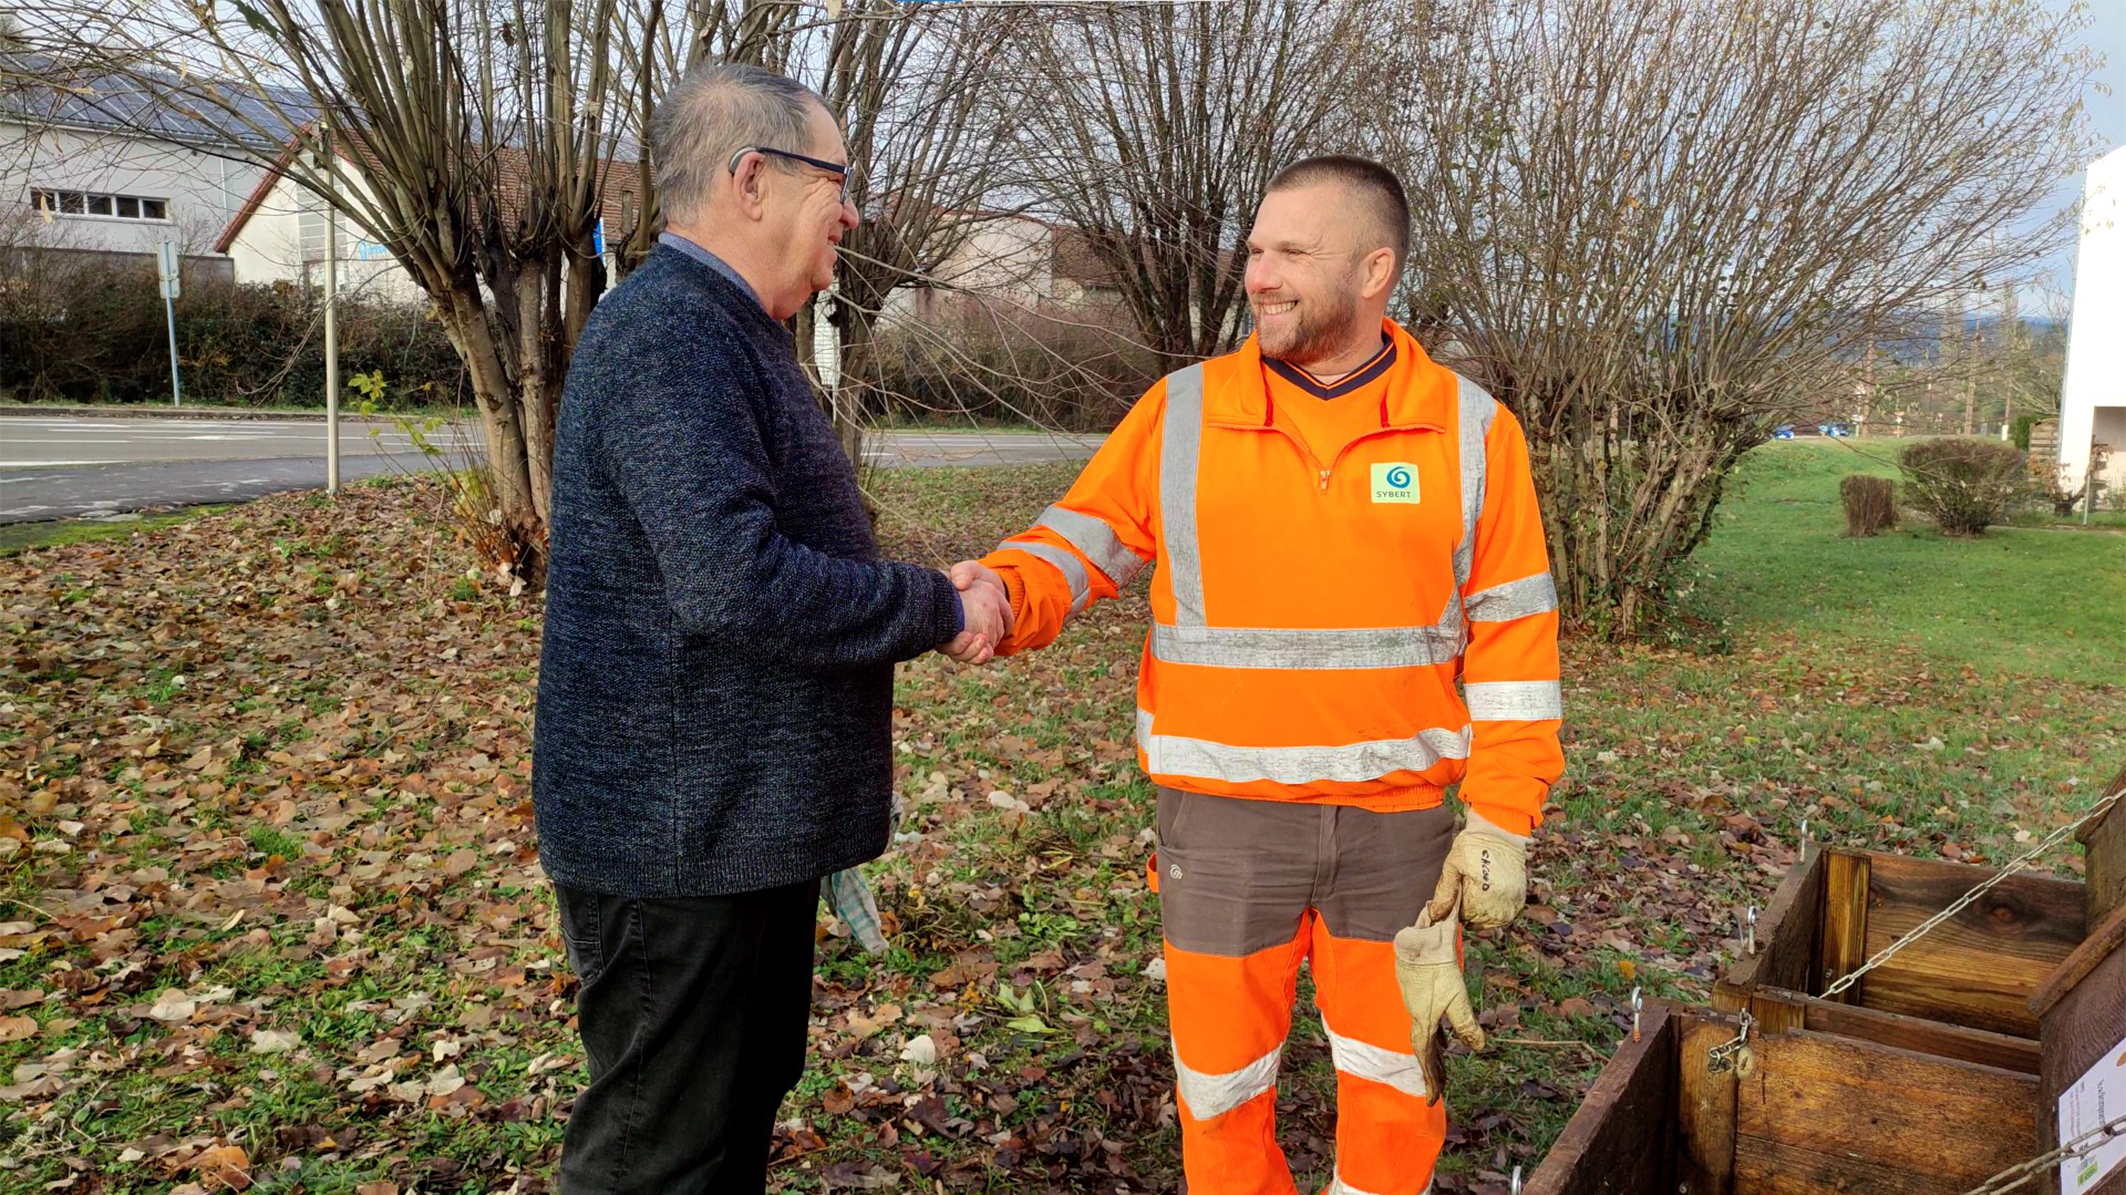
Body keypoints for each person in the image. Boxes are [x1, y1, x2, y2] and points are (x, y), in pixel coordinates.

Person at [951, 155, 1563, 1195]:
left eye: (1291, 254)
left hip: (1396, 837)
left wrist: (1503, 816)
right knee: (1220, 1090)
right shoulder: (1184, 412)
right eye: (1254, 250)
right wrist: (999, 596)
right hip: (1223, 828)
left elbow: (1515, 639)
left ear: (1373, 270)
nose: (1259, 276)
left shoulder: (1469, 432)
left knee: (1397, 1082)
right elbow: (1076, 545)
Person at [531, 60, 1010, 1194]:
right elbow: (735, 581)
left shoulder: (725, 329)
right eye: (835, 182)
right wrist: (936, 605)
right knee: (656, 1156)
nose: (851, 212)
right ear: (751, 179)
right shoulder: (670, 336)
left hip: (728, 832)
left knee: (723, 1124)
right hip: (677, 846)